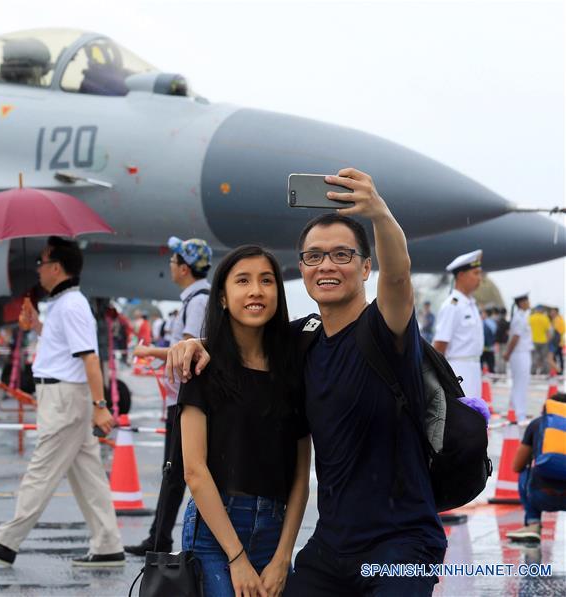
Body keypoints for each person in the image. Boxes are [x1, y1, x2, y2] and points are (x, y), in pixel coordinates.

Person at [167, 169, 447, 596]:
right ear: (302, 268)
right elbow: (250, 336)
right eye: (314, 256)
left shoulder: (386, 330)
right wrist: (198, 343)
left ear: (366, 266)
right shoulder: (304, 339)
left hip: (401, 545)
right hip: (330, 548)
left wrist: (381, 214)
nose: (327, 265)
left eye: (342, 255)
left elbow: (397, 277)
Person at [0, 236, 124, 568]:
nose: (38, 269)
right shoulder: (63, 303)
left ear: (56, 268)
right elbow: (65, 350)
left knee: (40, 472)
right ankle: (108, 544)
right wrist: (36, 325)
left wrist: (100, 405)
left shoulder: (71, 305)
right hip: (62, 394)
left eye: (42, 263)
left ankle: (6, 541)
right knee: (88, 475)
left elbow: (90, 359)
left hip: (64, 398)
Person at [177, 244, 310, 597]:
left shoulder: (292, 372)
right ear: (222, 298)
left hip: (275, 530)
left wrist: (284, 556)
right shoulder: (202, 369)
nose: (256, 290)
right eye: (243, 281)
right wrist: (236, 558)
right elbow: (194, 470)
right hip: (215, 532)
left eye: (267, 281)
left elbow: (300, 476)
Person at [124, 236, 212, 556]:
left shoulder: (198, 300)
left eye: (174, 262)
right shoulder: (193, 299)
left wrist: (149, 350)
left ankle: (160, 540)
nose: (170, 267)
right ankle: (158, 536)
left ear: (185, 268)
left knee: (175, 473)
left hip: (185, 400)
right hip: (178, 399)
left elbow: (186, 350)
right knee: (172, 472)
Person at [506, 393, 566, 542]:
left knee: (524, 471)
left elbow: (516, 465)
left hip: (542, 495)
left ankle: (533, 524)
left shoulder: (537, 424)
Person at [432, 250, 484, 399]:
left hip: (474, 367)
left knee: (475, 414)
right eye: (475, 273)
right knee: (463, 415)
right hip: (458, 369)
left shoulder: (470, 304)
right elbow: (440, 345)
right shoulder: (452, 306)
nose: (479, 278)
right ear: (461, 275)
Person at [504, 293, 532, 424]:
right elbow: (515, 337)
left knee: (521, 383)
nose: (529, 303)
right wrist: (508, 353)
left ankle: (514, 410)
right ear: (521, 303)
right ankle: (520, 414)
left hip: (522, 353)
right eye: (527, 301)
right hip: (519, 353)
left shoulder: (522, 316)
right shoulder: (519, 318)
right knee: (520, 384)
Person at [529, 306, 553, 374]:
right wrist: (549, 340)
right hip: (544, 341)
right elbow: (548, 331)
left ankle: (532, 371)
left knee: (534, 357)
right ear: (542, 310)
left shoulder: (531, 318)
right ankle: (544, 371)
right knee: (545, 357)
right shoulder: (545, 318)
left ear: (536, 310)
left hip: (533, 341)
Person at [481, 307, 498, 373]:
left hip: (483, 348)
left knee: (481, 364)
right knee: (491, 365)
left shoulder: (482, 322)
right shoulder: (493, 323)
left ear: (486, 314)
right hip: (491, 347)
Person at [550, 307, 564, 373]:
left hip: (557, 341)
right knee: (558, 357)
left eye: (552, 311)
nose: (551, 313)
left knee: (555, 357)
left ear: (556, 312)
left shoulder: (557, 319)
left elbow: (556, 330)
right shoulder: (559, 318)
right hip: (559, 341)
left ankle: (558, 371)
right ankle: (559, 370)